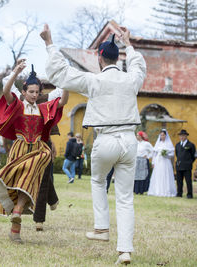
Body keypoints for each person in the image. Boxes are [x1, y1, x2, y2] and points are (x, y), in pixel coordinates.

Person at [42, 23, 146, 264]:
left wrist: (49, 43)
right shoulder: (131, 79)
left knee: (99, 181)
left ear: (100, 58)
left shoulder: (94, 81)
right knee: (125, 198)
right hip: (130, 141)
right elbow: (139, 65)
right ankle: (125, 251)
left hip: (107, 139)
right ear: (117, 58)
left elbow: (61, 74)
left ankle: (101, 228)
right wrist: (129, 45)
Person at [0, 60, 68, 244]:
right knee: (22, 186)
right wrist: (16, 72)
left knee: (29, 184)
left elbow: (63, 101)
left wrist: (66, 81)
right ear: (24, 92)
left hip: (38, 151)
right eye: (31, 92)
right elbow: (5, 91)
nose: (34, 95)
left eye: (37, 92)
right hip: (19, 149)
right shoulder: (18, 105)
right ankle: (15, 228)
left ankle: (18, 211)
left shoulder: (43, 108)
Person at [148, 130, 177, 197]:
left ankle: (166, 190)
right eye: (161, 135)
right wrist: (153, 162)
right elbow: (154, 153)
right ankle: (157, 190)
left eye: (163, 135)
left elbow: (172, 154)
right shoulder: (158, 143)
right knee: (158, 174)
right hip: (158, 161)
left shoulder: (168, 143)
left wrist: (166, 155)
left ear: (166, 136)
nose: (162, 136)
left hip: (165, 161)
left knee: (165, 174)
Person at [175, 129, 196, 198]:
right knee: (179, 181)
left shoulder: (191, 145)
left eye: (183, 136)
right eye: (180, 136)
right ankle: (179, 193)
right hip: (179, 165)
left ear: (186, 136)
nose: (182, 137)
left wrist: (189, 162)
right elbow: (177, 154)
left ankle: (189, 194)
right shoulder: (177, 145)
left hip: (187, 166)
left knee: (188, 181)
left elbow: (194, 155)